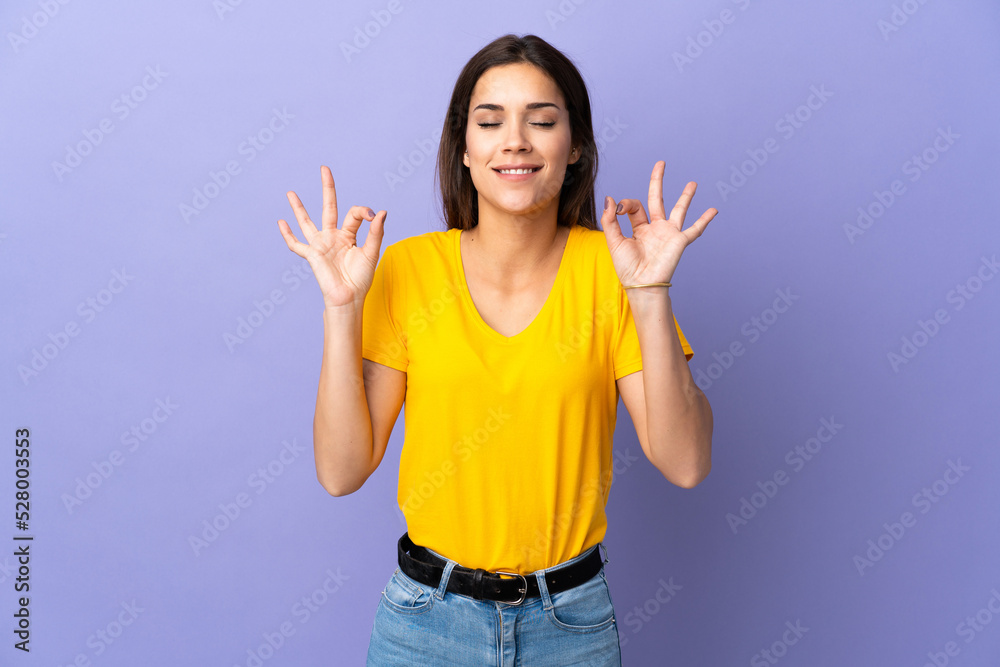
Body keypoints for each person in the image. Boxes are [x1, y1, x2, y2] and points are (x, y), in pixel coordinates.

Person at [277, 33, 715, 667]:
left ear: (576, 150)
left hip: (571, 628)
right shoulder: (406, 271)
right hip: (424, 626)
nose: (516, 140)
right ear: (464, 150)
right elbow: (340, 472)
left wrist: (649, 294)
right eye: (490, 122)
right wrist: (342, 310)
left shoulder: (614, 270)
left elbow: (686, 463)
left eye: (542, 121)